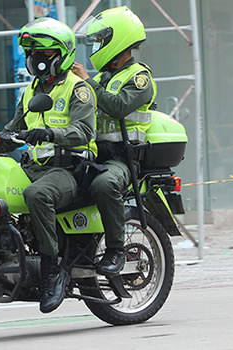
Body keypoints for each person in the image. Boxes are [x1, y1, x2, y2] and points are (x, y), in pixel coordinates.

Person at [0, 17, 97, 313]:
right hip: (35, 168)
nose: (35, 58)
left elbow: (85, 132)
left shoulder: (78, 89)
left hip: (71, 168)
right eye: (31, 52)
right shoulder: (30, 92)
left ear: (62, 54)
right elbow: (13, 131)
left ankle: (52, 272)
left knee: (37, 195)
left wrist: (51, 134)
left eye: (44, 53)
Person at [72, 6, 156, 276]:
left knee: (105, 184)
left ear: (118, 40)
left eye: (101, 40)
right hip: (96, 156)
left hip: (123, 158)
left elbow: (118, 106)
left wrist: (88, 83)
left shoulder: (140, 77)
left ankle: (116, 250)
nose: (97, 46)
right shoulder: (103, 78)